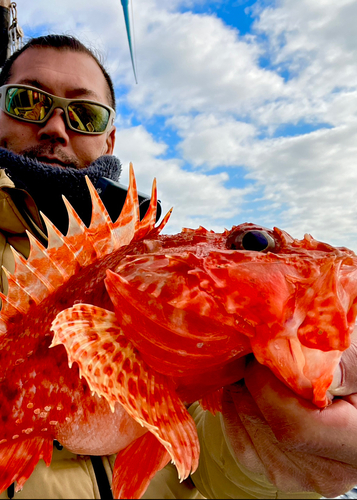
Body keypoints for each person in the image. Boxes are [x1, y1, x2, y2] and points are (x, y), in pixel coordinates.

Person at [0, 33, 355, 500]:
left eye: (84, 114)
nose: (55, 127)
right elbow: (85, 326)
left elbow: (206, 467)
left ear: (109, 138)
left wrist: (274, 457)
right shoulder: (127, 278)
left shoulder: (148, 257)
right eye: (28, 101)